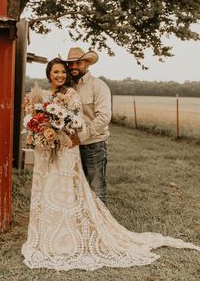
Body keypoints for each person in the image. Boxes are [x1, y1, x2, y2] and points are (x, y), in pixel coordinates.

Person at [21, 57, 200, 271]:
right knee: (49, 188)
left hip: (68, 148)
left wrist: (61, 130)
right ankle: (46, 232)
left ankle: (77, 233)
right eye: (56, 72)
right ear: (48, 73)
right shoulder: (38, 97)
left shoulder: (72, 94)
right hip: (47, 151)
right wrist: (39, 131)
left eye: (62, 72)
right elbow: (31, 123)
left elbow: (78, 121)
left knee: (71, 189)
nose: (60, 75)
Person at [66, 47, 111, 206]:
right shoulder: (69, 87)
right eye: (71, 64)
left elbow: (104, 117)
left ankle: (101, 228)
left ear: (87, 64)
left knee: (96, 187)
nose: (73, 67)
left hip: (94, 145)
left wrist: (82, 136)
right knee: (76, 187)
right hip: (72, 146)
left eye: (78, 63)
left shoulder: (98, 86)